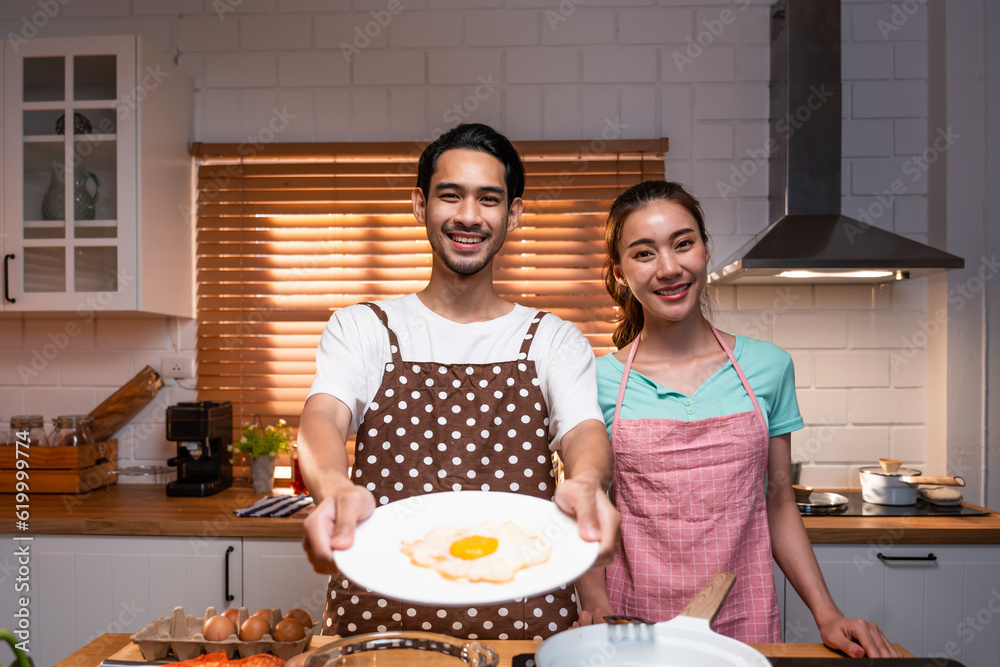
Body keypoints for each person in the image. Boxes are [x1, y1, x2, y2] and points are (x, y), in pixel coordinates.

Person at [297, 123, 619, 641]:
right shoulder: (362, 327)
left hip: (523, 624)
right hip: (378, 627)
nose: (469, 216)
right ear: (421, 205)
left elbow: (583, 432)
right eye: (452, 195)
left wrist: (585, 481)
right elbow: (323, 416)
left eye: (488, 199)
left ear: (512, 213)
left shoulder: (553, 339)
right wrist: (333, 486)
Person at [575, 180, 901, 658]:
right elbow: (586, 512)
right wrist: (597, 602)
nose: (669, 268)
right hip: (631, 619)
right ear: (620, 272)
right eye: (644, 253)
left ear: (705, 250)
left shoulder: (768, 367)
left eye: (682, 243)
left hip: (743, 616)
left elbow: (779, 502)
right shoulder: (597, 379)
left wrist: (827, 615)